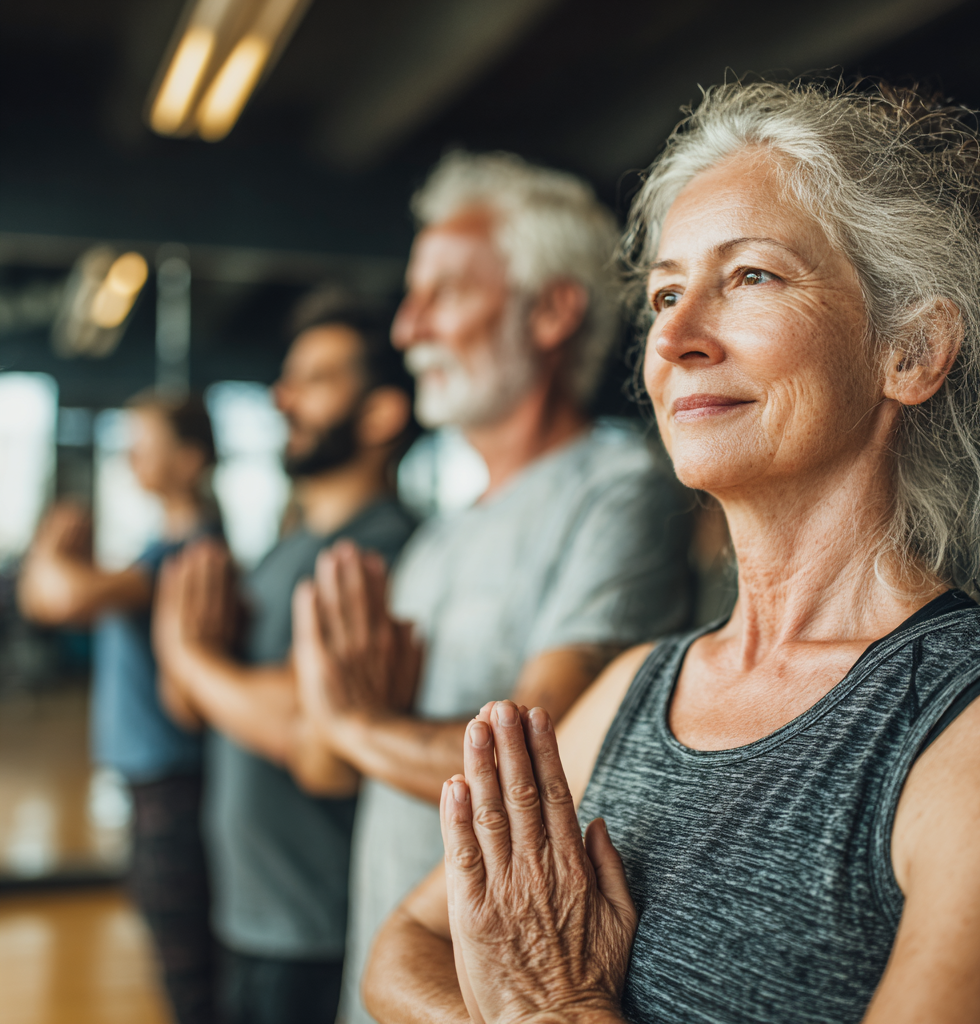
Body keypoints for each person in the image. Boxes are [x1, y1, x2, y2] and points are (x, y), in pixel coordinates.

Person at [364, 80, 980, 1024]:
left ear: (909, 350)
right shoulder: (637, 686)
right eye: (666, 293)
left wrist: (561, 1009)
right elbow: (400, 949)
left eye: (751, 276)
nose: (673, 336)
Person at [288, 151, 697, 1024]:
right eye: (411, 297)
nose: (407, 329)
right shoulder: (437, 537)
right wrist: (348, 725)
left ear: (551, 311)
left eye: (443, 293)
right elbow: (325, 763)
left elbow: (551, 769)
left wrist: (356, 721)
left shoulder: (620, 490)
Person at [152, 296, 419, 1024]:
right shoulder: (285, 552)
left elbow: (310, 726)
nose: (283, 398)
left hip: (313, 924)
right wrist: (202, 669)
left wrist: (191, 654)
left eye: (316, 380)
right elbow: (188, 704)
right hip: (243, 908)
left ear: (382, 415)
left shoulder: (386, 551)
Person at [18, 393, 221, 1024]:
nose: (131, 456)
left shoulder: (188, 555)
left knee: (185, 958)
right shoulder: (157, 549)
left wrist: (48, 547)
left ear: (190, 459)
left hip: (175, 778)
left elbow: (62, 598)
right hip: (153, 776)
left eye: (144, 443)